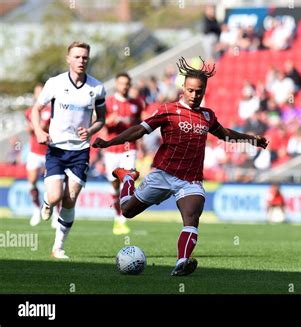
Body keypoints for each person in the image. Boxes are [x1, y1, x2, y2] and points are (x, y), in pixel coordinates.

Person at [93, 57, 268, 276]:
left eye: (199, 91)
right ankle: (128, 178)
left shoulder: (207, 115)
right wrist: (110, 142)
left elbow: (226, 135)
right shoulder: (168, 110)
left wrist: (252, 139)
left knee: (192, 218)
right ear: (183, 89)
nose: (195, 95)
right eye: (191, 90)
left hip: (191, 179)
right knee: (127, 211)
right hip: (163, 174)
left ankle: (181, 262)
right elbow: (140, 129)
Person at [31, 41, 106, 259]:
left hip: (80, 151)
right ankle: (47, 202)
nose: (81, 61)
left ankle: (58, 247)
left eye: (85, 57)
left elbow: (101, 119)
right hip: (56, 148)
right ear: (68, 59)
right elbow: (36, 109)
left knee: (70, 197)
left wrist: (91, 130)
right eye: (77, 57)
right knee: (55, 196)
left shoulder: (97, 88)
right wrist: (38, 131)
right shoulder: (54, 83)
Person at [104, 72, 143, 235]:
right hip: (112, 150)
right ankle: (117, 216)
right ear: (116, 84)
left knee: (128, 179)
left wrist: (141, 145)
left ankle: (122, 219)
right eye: (121, 83)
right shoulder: (108, 103)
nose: (124, 86)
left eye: (127, 83)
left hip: (130, 149)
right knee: (114, 184)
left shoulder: (136, 103)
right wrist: (108, 120)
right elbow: (99, 123)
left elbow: (140, 125)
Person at [26, 83, 59, 228]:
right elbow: (29, 129)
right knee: (32, 181)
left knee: (53, 185)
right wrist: (33, 127)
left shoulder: (52, 109)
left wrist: (39, 127)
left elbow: (47, 128)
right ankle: (35, 209)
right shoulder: (30, 111)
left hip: (49, 151)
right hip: (34, 151)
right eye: (37, 92)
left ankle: (56, 214)